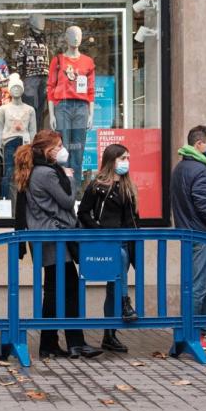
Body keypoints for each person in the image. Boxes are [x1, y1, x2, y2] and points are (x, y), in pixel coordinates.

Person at [13, 129, 102, 359]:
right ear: (47, 150)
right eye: (58, 145)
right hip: (54, 237)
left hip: (50, 237)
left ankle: (56, 343)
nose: (62, 150)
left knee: (57, 289)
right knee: (63, 289)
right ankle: (70, 343)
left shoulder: (38, 170)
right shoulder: (46, 173)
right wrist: (70, 177)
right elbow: (67, 200)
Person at [170, 125, 206, 351]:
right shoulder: (199, 170)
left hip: (192, 233)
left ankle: (202, 329)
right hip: (202, 236)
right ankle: (193, 334)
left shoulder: (182, 168)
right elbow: (205, 206)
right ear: (199, 144)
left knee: (203, 285)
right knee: (199, 286)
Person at [78, 144, 141, 353]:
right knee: (118, 263)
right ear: (111, 160)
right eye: (123, 158)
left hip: (125, 241)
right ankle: (125, 304)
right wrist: (99, 231)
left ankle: (110, 335)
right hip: (105, 243)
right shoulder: (97, 186)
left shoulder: (127, 185)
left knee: (113, 286)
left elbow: (132, 217)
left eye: (128, 158)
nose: (126, 162)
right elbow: (84, 213)